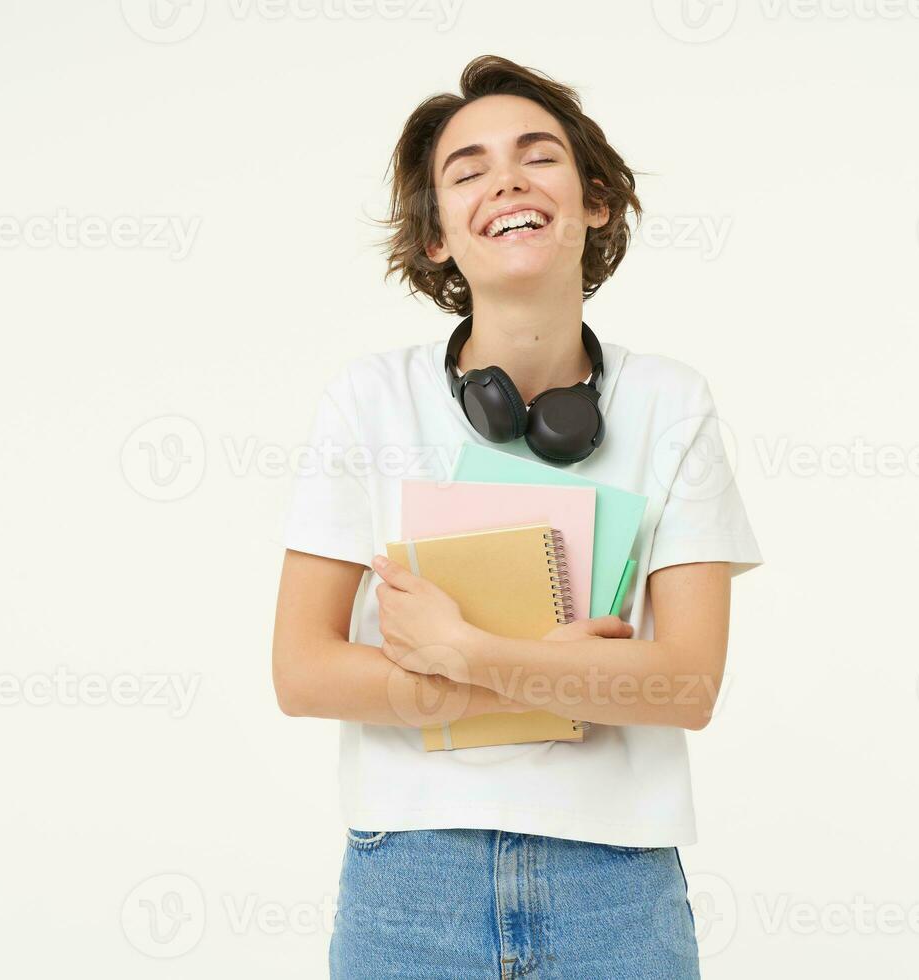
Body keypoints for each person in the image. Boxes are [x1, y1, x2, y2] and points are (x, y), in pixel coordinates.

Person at [273, 54, 763, 979]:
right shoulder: (368, 401)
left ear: (596, 201)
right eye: (467, 170)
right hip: (411, 882)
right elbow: (302, 671)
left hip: (615, 888)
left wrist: (470, 654)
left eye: (537, 156)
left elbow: (687, 688)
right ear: (436, 241)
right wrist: (569, 679)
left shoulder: (672, 403)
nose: (505, 179)